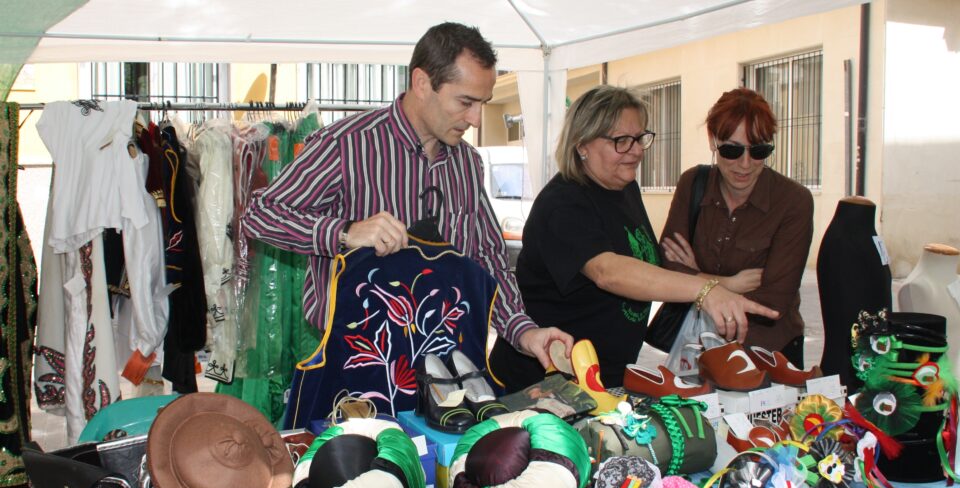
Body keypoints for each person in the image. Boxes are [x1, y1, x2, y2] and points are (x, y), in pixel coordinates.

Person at [244, 22, 571, 370]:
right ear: (422, 83)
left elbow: (488, 258)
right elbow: (260, 214)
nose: (476, 119)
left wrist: (523, 331)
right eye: (465, 102)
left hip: (445, 362)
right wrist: (345, 231)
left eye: (483, 104)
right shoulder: (346, 146)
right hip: (356, 366)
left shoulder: (468, 164)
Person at [489, 85, 779, 391]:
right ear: (582, 144)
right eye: (621, 141)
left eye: (639, 138)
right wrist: (705, 290)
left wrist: (715, 284)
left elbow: (644, 267)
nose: (637, 150)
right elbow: (608, 272)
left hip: (606, 379)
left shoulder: (624, 188)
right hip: (543, 384)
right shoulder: (563, 203)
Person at [660, 88, 814, 367]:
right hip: (699, 351)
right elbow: (667, 270)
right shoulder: (692, 184)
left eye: (759, 151)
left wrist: (696, 278)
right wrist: (730, 284)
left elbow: (773, 302)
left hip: (768, 354)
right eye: (732, 150)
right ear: (712, 140)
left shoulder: (793, 200)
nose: (745, 164)